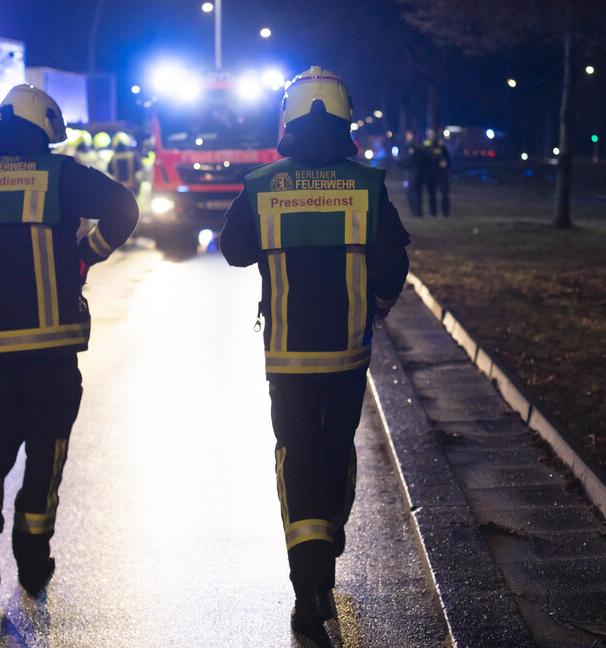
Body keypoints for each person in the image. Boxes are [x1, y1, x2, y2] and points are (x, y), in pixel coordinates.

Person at [219, 67, 410, 639]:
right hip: (348, 353)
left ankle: (309, 587)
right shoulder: (366, 184)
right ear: (345, 117)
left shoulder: (261, 186)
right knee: (335, 447)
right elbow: (395, 262)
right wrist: (375, 305)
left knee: (295, 454)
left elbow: (233, 252)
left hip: (286, 356)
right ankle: (329, 528)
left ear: (289, 120)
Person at [0, 84, 139, 597]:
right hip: (51, 348)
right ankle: (33, 558)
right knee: (46, 449)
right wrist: (86, 254)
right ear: (42, 127)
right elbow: (123, 207)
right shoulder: (58, 174)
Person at [423, 128, 451, 217]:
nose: (431, 136)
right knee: (432, 195)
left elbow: (447, 158)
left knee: (444, 194)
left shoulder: (441, 145)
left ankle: (445, 213)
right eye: (429, 134)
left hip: (441, 173)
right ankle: (433, 213)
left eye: (432, 134)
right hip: (430, 173)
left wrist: (445, 162)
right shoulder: (425, 145)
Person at [400, 129, 425, 217]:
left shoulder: (411, 146)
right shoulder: (419, 146)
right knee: (417, 193)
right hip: (418, 172)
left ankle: (415, 213)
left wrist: (400, 163)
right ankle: (418, 213)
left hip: (413, 172)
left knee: (412, 193)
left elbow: (409, 160)